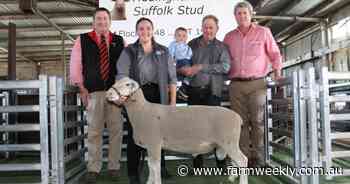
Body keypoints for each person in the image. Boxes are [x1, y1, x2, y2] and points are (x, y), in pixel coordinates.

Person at [116, 17, 177, 184]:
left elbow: (172, 78)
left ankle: (161, 168)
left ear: (153, 30)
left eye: (148, 28)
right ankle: (133, 174)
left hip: (159, 96)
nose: (145, 31)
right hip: (136, 97)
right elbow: (121, 75)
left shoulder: (164, 51)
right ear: (137, 31)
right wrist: (123, 93)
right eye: (141, 28)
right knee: (135, 134)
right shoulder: (128, 51)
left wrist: (172, 102)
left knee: (161, 133)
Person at [69, 7, 126, 183]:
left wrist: (123, 90)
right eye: (99, 19)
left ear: (110, 21)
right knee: (94, 131)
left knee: (116, 131)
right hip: (93, 92)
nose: (102, 22)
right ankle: (93, 168)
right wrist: (81, 87)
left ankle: (114, 167)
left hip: (115, 93)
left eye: (105, 19)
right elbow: (76, 63)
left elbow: (125, 67)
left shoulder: (119, 40)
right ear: (93, 22)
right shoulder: (83, 39)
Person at [223, 1, 282, 167]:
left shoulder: (264, 32)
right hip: (236, 85)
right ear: (235, 16)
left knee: (258, 121)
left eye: (244, 13)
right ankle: (243, 158)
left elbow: (275, 54)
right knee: (239, 122)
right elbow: (224, 61)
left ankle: (258, 157)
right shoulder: (229, 37)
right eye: (239, 13)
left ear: (251, 14)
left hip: (258, 83)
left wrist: (277, 72)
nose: (242, 16)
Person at [180, 15, 231, 169]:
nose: (208, 30)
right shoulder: (191, 44)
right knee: (195, 129)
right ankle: (197, 164)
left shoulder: (222, 47)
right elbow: (183, 63)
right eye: (205, 27)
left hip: (213, 93)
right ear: (201, 28)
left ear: (217, 29)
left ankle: (221, 164)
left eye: (211, 27)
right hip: (194, 92)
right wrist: (183, 68)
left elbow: (226, 67)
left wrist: (201, 67)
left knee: (217, 129)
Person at [168, 27, 193, 100]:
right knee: (177, 76)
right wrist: (172, 61)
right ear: (175, 37)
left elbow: (190, 55)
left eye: (184, 36)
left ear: (186, 38)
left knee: (191, 71)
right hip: (178, 62)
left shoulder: (187, 46)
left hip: (186, 62)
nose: (181, 38)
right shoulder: (174, 44)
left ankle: (183, 87)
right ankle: (177, 88)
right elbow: (170, 54)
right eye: (179, 35)